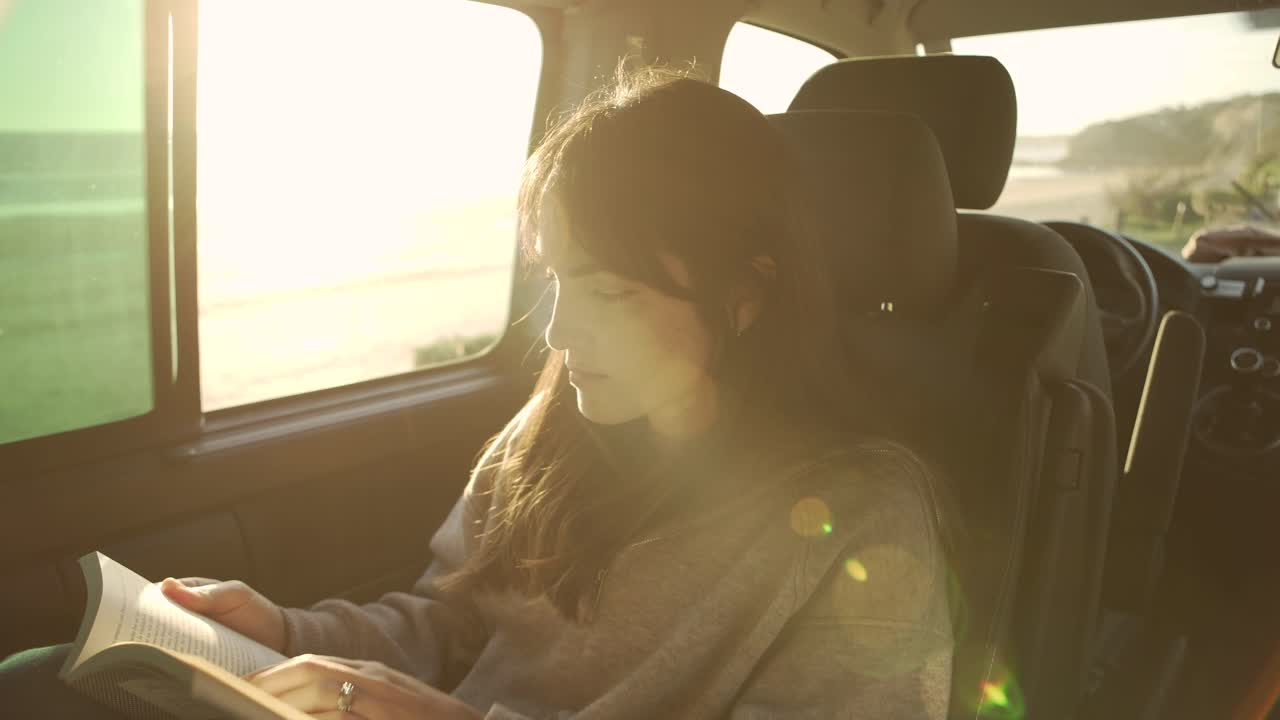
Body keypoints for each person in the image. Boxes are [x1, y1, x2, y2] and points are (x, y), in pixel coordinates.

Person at [0, 67, 955, 719]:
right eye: (560, 281)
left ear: (745, 294)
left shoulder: (862, 519)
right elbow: (449, 624)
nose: (560, 335)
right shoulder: (555, 430)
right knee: (39, 682)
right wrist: (285, 629)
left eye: (612, 293)